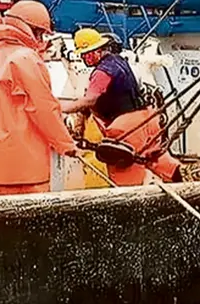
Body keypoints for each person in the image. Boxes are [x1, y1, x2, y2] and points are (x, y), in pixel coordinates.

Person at [0, 0, 78, 196]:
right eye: (40, 33)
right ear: (31, 29)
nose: (41, 40)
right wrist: (66, 145)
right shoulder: (26, 58)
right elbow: (43, 109)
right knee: (29, 216)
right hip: (24, 171)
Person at [61, 28, 183, 186]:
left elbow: (90, 100)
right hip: (147, 119)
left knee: (125, 175)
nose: (85, 58)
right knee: (155, 157)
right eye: (83, 55)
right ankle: (185, 183)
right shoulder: (119, 61)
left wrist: (61, 107)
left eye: (86, 54)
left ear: (98, 51)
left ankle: (131, 200)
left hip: (126, 128)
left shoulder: (102, 72)